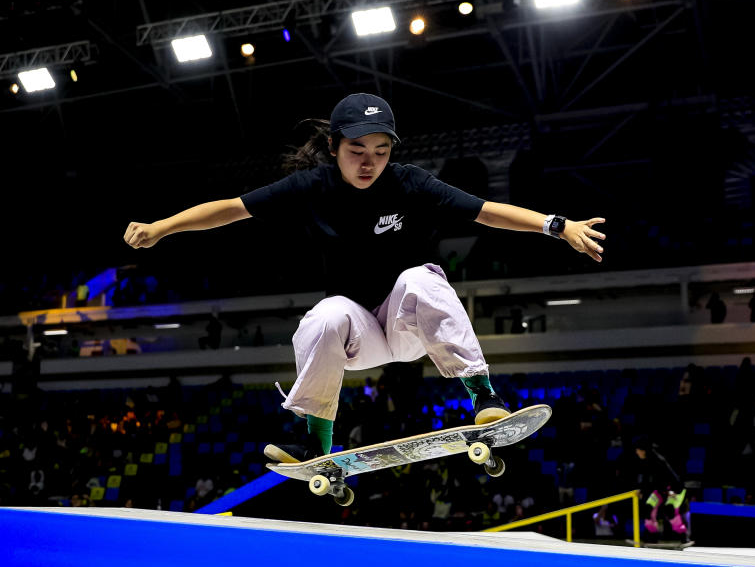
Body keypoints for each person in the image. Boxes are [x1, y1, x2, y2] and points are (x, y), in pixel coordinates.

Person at [123, 93, 606, 462]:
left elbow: (484, 212)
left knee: (421, 278)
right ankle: (314, 442)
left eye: (380, 150)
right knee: (325, 315)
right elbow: (231, 209)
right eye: (357, 150)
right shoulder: (310, 186)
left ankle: (484, 397)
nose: (369, 162)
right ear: (334, 147)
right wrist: (163, 228)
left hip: (410, 325)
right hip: (360, 338)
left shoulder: (409, 181)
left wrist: (557, 226)